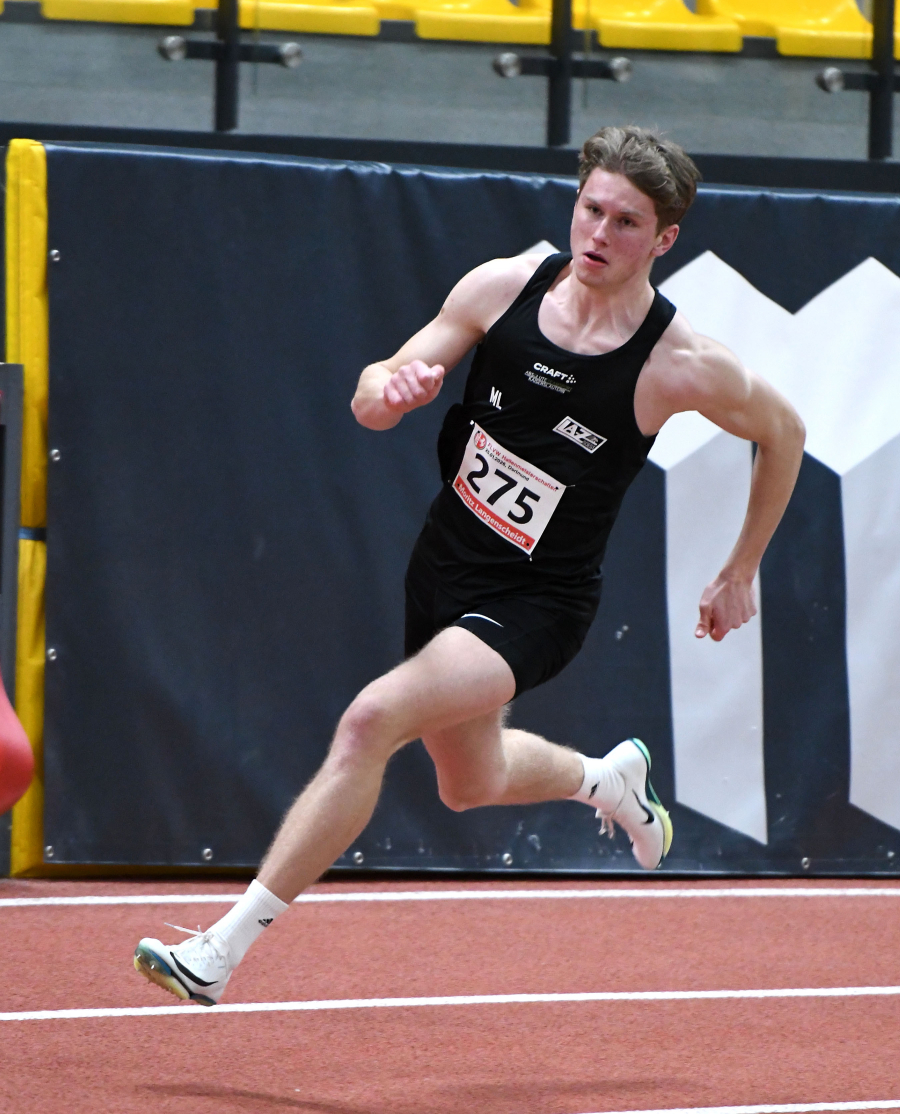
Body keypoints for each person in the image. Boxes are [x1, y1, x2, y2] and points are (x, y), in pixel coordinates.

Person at [134, 125, 805, 1007]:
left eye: (627, 223)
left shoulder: (678, 364)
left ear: (664, 239)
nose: (599, 234)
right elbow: (372, 395)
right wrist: (392, 391)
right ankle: (607, 781)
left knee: (370, 721)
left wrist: (741, 567)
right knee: (469, 783)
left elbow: (784, 432)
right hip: (443, 567)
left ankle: (220, 950)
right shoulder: (503, 287)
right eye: (591, 209)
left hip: (538, 601)